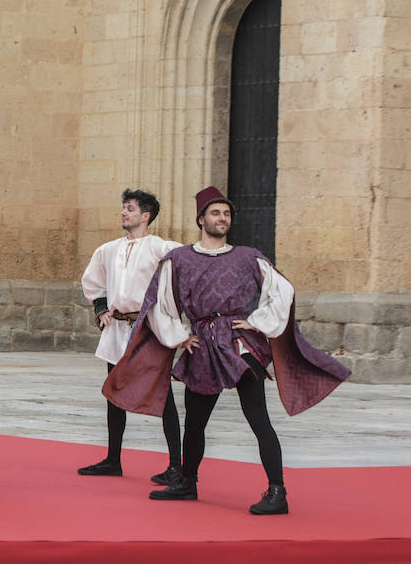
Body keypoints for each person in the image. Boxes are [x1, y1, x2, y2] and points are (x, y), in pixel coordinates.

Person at [105, 187, 352, 515]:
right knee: (194, 423)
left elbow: (283, 291)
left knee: (259, 418)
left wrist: (258, 321)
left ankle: (277, 491)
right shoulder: (178, 259)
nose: (222, 218)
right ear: (201, 219)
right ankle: (187, 482)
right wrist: (179, 336)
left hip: (240, 345)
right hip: (203, 345)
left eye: (226, 214)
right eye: (215, 213)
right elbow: (159, 303)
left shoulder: (248, 257)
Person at [77, 189, 183, 483]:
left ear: (145, 216)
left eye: (130, 209)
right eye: (123, 208)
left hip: (148, 330)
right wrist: (101, 310)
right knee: (114, 392)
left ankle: (176, 465)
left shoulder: (162, 248)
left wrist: (169, 315)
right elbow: (94, 283)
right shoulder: (108, 250)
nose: (124, 213)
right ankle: (113, 460)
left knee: (163, 395)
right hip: (116, 329)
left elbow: (183, 276)